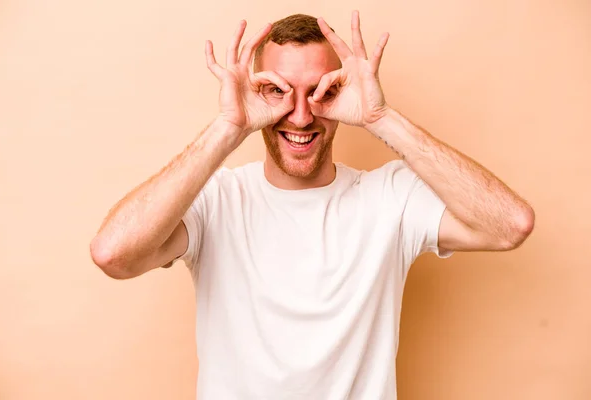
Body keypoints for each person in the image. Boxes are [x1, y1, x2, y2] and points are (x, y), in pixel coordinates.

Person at [90, 11, 535, 400]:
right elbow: (115, 255)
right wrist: (228, 126)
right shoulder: (215, 201)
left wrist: (383, 119)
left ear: (342, 89)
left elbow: (509, 225)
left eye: (320, 92)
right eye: (278, 92)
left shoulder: (389, 198)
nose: (301, 116)